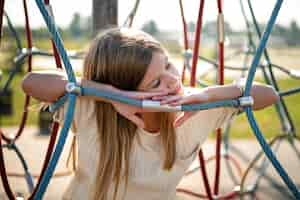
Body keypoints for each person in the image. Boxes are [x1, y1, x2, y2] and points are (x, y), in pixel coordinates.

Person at [22, 27, 279, 200]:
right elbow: (32, 83)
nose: (172, 80)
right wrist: (108, 95)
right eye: (155, 83)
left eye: (167, 64)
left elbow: (268, 95)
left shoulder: (194, 108)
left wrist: (209, 94)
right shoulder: (93, 110)